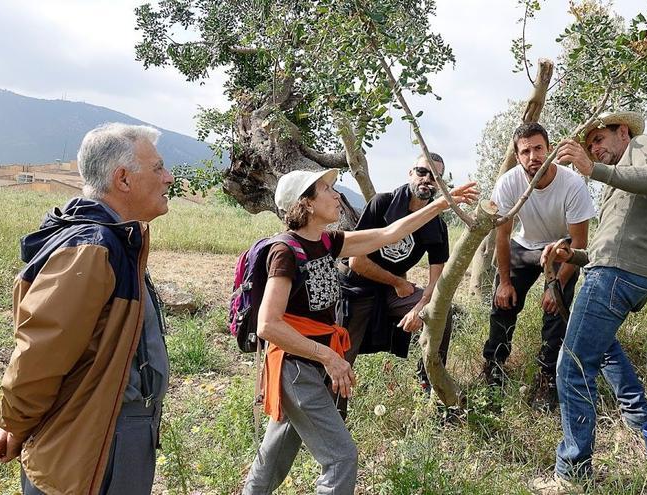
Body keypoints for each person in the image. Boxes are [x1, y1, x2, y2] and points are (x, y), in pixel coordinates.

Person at [242, 169, 477, 494]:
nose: (337, 195)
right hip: (296, 368)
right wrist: (328, 356)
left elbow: (388, 234)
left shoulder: (326, 242)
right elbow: (268, 324)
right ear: (306, 203)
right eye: (326, 189)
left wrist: (440, 206)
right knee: (341, 458)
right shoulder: (286, 252)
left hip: (307, 366)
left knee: (272, 459)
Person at [0, 123, 175, 495]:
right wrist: (13, 424)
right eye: (158, 168)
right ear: (123, 179)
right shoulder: (93, 247)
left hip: (108, 429)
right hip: (94, 435)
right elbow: (40, 353)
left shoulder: (113, 240)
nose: (169, 177)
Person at [545, 110, 647, 482]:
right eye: (589, 147)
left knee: (571, 366)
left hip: (618, 275)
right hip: (614, 270)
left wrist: (591, 168)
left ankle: (572, 474)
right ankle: (643, 423)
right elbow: (608, 247)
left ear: (622, 131)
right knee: (602, 349)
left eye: (599, 140)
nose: (595, 150)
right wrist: (574, 256)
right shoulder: (617, 184)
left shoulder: (645, 146)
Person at [481, 122, 595, 410]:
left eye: (538, 148)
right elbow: (503, 236)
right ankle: (494, 366)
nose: (533, 156)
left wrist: (555, 285)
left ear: (550, 149)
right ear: (518, 157)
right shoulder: (508, 183)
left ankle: (546, 377)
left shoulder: (572, 184)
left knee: (555, 309)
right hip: (525, 244)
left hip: (561, 249)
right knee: (502, 303)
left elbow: (579, 245)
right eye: (525, 151)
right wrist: (504, 282)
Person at [338, 153, 454, 404]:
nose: (427, 180)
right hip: (356, 289)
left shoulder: (437, 225)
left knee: (442, 313)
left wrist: (421, 307)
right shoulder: (382, 204)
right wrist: (398, 283)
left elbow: (438, 280)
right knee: (341, 361)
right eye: (422, 172)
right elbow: (357, 261)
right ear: (410, 173)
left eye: (435, 177)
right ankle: (333, 417)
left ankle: (429, 384)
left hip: (392, 292)